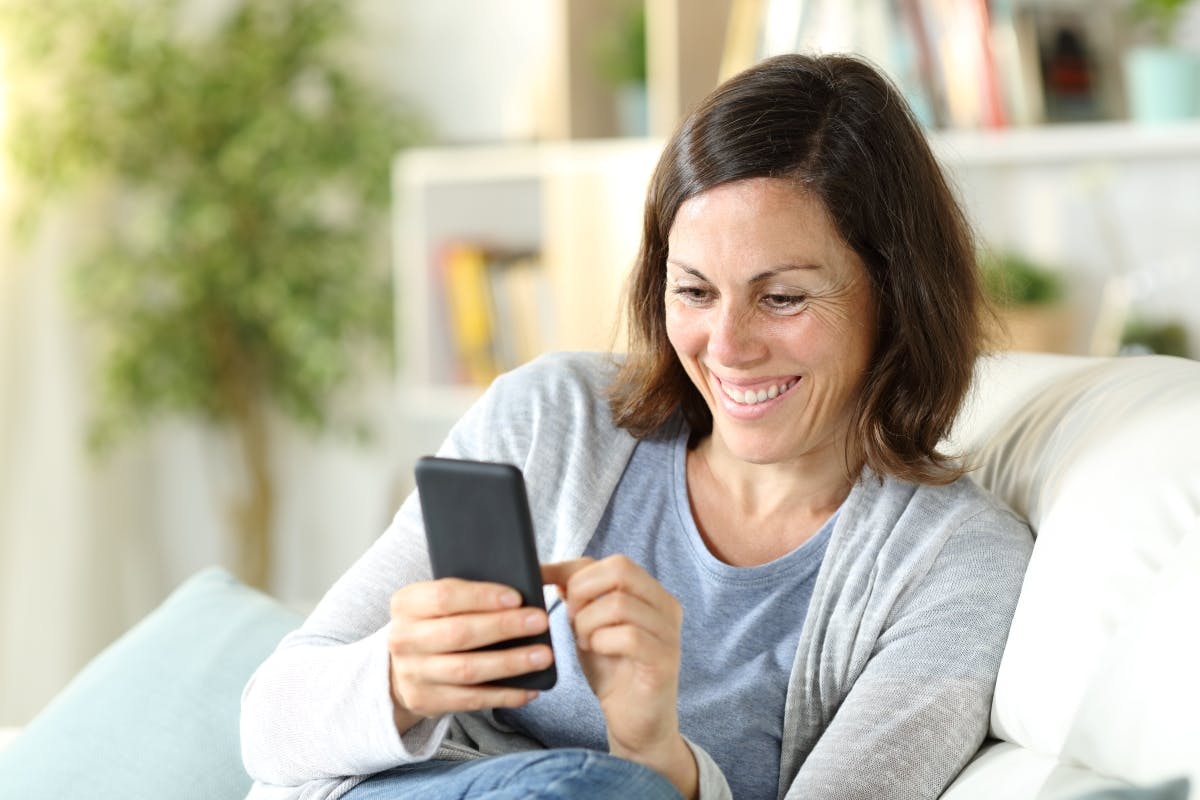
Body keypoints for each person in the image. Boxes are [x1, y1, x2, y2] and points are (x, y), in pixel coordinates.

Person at [240, 53, 1033, 800]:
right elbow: (269, 726)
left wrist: (656, 753)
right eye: (694, 292)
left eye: (782, 298)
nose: (727, 347)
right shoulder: (554, 418)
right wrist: (400, 680)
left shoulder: (953, 563)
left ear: (897, 296)